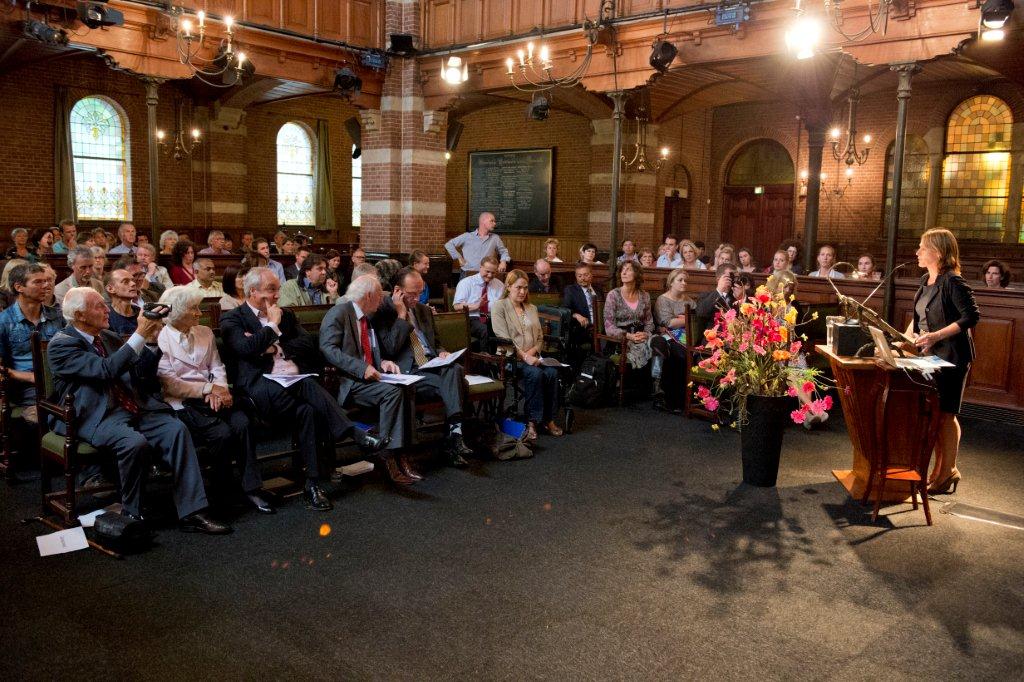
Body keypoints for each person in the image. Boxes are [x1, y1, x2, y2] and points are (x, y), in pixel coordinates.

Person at [49, 287, 230, 534]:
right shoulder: (62, 345)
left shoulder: (109, 337)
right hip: (95, 415)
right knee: (133, 443)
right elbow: (105, 370)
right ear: (80, 315)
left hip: (133, 407)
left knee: (175, 429)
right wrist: (138, 334)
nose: (107, 310)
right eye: (99, 306)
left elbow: (142, 374)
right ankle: (132, 513)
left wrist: (152, 340)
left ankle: (193, 512)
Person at [220, 268, 384, 511]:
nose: (277, 295)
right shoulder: (233, 318)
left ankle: (313, 484)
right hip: (258, 389)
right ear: (252, 292)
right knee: (307, 384)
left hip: (291, 386)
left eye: (277, 289)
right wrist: (272, 328)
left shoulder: (286, 315)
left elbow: (308, 344)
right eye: (271, 290)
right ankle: (354, 433)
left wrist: (273, 346)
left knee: (307, 410)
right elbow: (245, 349)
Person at [157, 286, 274, 515]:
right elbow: (170, 384)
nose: (199, 313)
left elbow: (216, 365)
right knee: (222, 434)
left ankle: (252, 488)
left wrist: (220, 389)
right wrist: (208, 389)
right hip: (182, 402)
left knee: (242, 423)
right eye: (193, 309)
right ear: (177, 312)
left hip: (216, 395)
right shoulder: (160, 338)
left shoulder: (204, 332)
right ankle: (221, 490)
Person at [319, 275, 419, 485]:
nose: (383, 301)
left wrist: (383, 362)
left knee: (406, 388)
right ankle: (388, 456)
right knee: (392, 393)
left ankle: (403, 454)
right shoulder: (339, 313)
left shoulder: (366, 318)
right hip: (348, 383)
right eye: (379, 296)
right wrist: (362, 367)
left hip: (369, 380)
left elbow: (369, 350)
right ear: (369, 296)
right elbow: (328, 349)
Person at [383, 267, 474, 466]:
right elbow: (390, 348)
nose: (417, 298)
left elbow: (436, 343)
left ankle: (454, 437)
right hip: (410, 372)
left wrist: (442, 352)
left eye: (420, 292)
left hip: (432, 365)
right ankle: (455, 436)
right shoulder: (385, 312)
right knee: (459, 380)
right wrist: (401, 315)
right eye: (412, 294)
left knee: (455, 369)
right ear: (397, 290)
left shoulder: (423, 310)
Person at [912, 228, 980, 495]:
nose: (917, 252)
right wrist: (905, 341)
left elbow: (971, 316)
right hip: (929, 356)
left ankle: (947, 471)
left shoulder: (953, 281)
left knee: (946, 414)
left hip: (952, 356)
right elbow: (920, 319)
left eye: (921, 247)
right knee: (935, 416)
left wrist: (936, 335)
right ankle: (942, 470)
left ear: (937, 252)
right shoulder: (925, 281)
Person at [490, 270, 563, 442]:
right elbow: (503, 339)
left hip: (532, 356)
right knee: (535, 373)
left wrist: (532, 352)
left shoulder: (531, 308)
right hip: (509, 358)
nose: (522, 292)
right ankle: (532, 421)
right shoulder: (499, 307)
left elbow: (539, 337)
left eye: (525, 288)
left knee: (552, 373)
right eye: (518, 288)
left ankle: (549, 419)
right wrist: (524, 356)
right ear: (508, 287)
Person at [0, 263, 64, 425]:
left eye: (47, 281)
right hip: (27, 387)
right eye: (38, 282)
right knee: (46, 417)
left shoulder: (57, 316)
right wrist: (28, 376)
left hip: (60, 381)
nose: (46, 285)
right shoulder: (4, 321)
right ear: (19, 287)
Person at [603, 260, 656, 374]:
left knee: (658, 342)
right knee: (647, 348)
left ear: (637, 274)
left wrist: (646, 334)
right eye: (622, 270)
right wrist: (628, 336)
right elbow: (609, 328)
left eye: (628, 269)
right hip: (620, 340)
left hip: (640, 336)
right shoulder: (613, 295)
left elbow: (649, 322)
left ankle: (655, 383)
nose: (624, 272)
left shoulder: (644, 295)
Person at [652, 268, 692, 412]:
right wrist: (686, 319)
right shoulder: (663, 299)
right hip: (667, 337)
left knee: (692, 354)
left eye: (686, 280)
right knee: (679, 355)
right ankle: (671, 398)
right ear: (671, 282)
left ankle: (684, 398)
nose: (684, 283)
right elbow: (667, 322)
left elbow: (695, 320)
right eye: (680, 280)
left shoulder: (689, 300)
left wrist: (681, 319)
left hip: (687, 337)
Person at [452, 255, 504, 347]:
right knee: (486, 330)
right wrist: (476, 306)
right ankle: (486, 360)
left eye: (493, 272)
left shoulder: (499, 285)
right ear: (480, 268)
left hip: (493, 318)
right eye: (487, 271)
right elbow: (457, 306)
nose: (490, 275)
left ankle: (504, 357)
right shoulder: (466, 283)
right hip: (471, 318)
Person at [445, 212, 511, 275]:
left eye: (494, 221)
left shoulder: (495, 238)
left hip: (487, 274)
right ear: (483, 221)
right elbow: (448, 244)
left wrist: (503, 262)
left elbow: (503, 251)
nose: (494, 223)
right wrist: (459, 257)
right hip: (468, 273)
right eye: (492, 221)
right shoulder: (467, 236)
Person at [561, 263, 603, 360]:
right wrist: (576, 315)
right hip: (584, 328)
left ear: (591, 275)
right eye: (579, 276)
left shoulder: (598, 289)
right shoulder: (571, 290)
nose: (582, 278)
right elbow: (565, 309)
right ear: (576, 276)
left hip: (601, 327)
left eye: (585, 275)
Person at [694, 263, 738, 342]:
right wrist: (719, 290)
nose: (733, 280)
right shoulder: (706, 296)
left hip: (736, 340)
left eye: (735, 277)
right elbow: (701, 313)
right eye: (730, 277)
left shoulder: (736, 297)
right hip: (713, 340)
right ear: (718, 279)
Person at [105, 268, 140, 336]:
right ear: (110, 289)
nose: (133, 284)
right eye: (126, 282)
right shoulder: (105, 316)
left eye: (132, 280)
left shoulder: (142, 314)